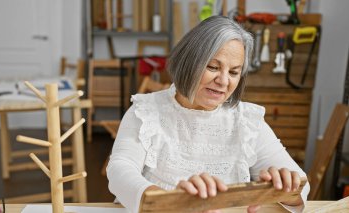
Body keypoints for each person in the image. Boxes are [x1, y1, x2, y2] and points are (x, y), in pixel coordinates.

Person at [107, 16, 310, 213]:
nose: (223, 81)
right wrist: (169, 204)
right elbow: (120, 170)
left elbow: (301, 184)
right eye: (213, 67)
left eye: (233, 72)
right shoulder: (146, 111)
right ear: (189, 62)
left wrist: (288, 189)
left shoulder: (247, 121)